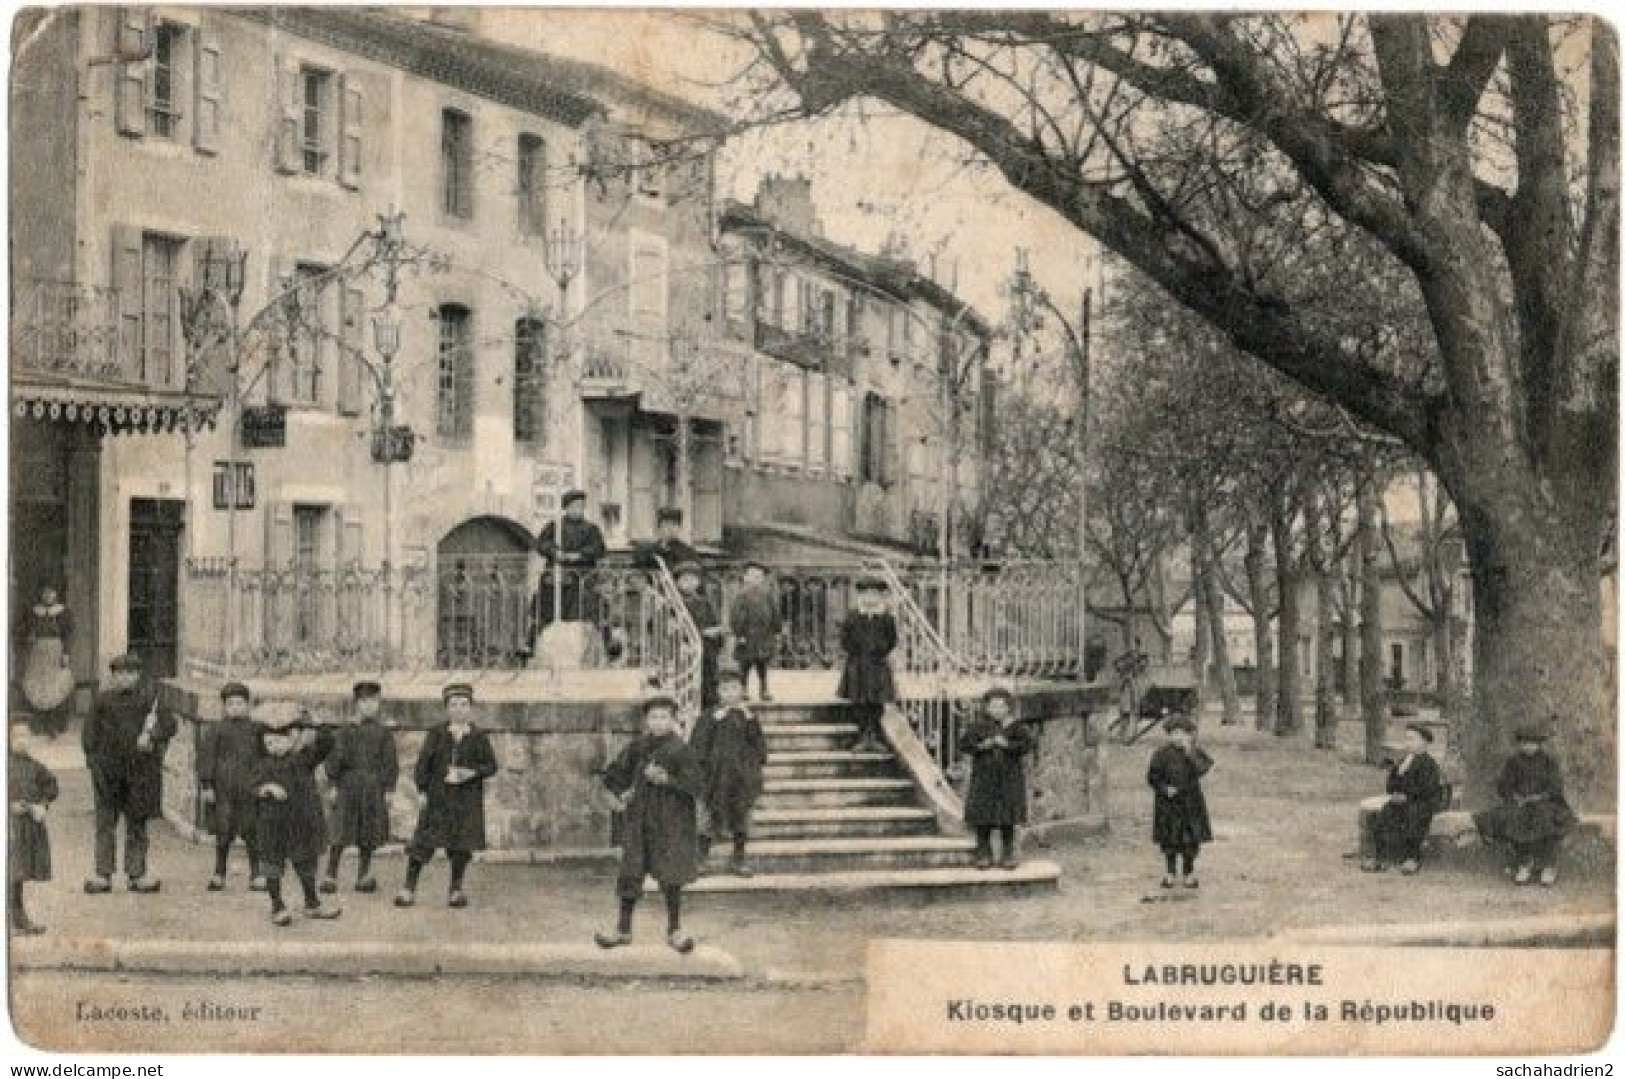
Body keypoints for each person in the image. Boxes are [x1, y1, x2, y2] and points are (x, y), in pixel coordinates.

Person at [595, 695, 704, 953]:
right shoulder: (638, 747)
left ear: (673, 720)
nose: (658, 722)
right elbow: (614, 773)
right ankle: (622, 929)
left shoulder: (682, 750)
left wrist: (667, 780)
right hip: (639, 819)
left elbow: (697, 786)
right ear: (646, 720)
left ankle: (674, 930)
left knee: (670, 876)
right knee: (630, 872)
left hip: (670, 822)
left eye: (664, 716)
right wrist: (617, 793)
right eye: (653, 717)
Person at [395, 683, 498, 909]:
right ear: (446, 708)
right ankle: (408, 888)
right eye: (453, 705)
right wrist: (422, 791)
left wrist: (471, 772)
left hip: (466, 800)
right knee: (422, 842)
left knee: (461, 846)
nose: (459, 709)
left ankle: (456, 889)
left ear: (471, 708)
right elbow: (422, 765)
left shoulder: (478, 736)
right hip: (438, 798)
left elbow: (491, 766)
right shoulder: (436, 734)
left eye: (464, 704)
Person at [82, 653, 174, 894]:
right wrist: (94, 764)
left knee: (137, 823)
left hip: (139, 772)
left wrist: (152, 736)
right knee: (105, 823)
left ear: (137, 675)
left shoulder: (149, 701)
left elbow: (169, 725)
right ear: (113, 676)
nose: (125, 678)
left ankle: (137, 874)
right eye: (119, 673)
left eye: (130, 673)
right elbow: (89, 735)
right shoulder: (102, 701)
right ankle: (103, 875)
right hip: (108, 771)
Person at [251, 711, 341, 926]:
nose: (274, 746)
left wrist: (319, 725)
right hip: (273, 825)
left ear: (292, 740)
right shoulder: (263, 765)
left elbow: (326, 745)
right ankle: (277, 906)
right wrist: (267, 788)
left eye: (279, 741)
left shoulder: (303, 759)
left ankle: (312, 903)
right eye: (269, 742)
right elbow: (251, 786)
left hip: (302, 823)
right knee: (272, 867)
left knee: (306, 864)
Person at [321, 681, 400, 895]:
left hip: (373, 787)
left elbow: (390, 763)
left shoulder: (383, 733)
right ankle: (330, 874)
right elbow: (334, 759)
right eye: (364, 702)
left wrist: (389, 789)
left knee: (368, 831)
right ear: (357, 704)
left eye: (373, 701)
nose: (368, 706)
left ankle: (363, 875)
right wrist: (333, 784)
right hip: (348, 785)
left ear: (378, 703)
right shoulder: (346, 731)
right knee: (340, 831)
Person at [1474, 725, 1575, 886]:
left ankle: (1548, 867)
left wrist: (1540, 797)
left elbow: (1555, 787)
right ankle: (1524, 864)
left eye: (1533, 743)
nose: (1529, 746)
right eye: (1525, 743)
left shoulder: (1549, 762)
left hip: (1545, 802)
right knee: (1514, 818)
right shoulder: (1513, 762)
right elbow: (1504, 785)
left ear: (1539, 744)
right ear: (1520, 744)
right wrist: (1515, 796)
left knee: (1545, 819)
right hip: (1520, 802)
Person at [690, 670, 766, 877]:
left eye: (734, 688)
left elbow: (760, 750)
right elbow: (697, 747)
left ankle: (738, 860)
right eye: (724, 689)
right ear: (717, 692)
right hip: (714, 779)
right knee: (706, 820)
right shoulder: (709, 717)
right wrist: (714, 720)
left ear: (742, 691)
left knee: (741, 819)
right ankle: (701, 860)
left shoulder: (748, 717)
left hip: (740, 780)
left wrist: (750, 721)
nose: (730, 694)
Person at [198, 682, 265, 892]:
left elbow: (264, 757)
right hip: (223, 789)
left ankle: (257, 874)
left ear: (247, 705)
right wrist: (207, 785)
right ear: (224, 707)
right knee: (223, 832)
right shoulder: (216, 730)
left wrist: (263, 782)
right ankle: (219, 873)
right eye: (230, 704)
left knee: (252, 832)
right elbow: (206, 757)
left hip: (249, 788)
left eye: (240, 703)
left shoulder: (256, 729)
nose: (235, 707)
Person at [958, 687, 1034, 870]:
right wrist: (981, 746)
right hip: (984, 779)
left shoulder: (1016, 727)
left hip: (1009, 779)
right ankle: (984, 853)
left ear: (1008, 708)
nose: (997, 710)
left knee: (1007, 817)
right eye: (993, 706)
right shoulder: (977, 726)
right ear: (986, 708)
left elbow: (1027, 745)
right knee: (983, 817)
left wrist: (1007, 745)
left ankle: (1008, 854)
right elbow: (965, 744)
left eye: (1001, 706)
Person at [1359, 722, 1445, 875]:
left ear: (1424, 742)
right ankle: (1379, 857)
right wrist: (1396, 773)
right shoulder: (1405, 761)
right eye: (1407, 739)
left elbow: (1427, 788)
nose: (1408, 743)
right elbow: (1391, 787)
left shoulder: (1429, 764)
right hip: (1404, 800)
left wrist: (1407, 795)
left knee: (1414, 816)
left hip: (1423, 802)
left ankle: (1412, 858)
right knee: (1386, 812)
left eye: (1413, 739)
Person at [1147, 714, 1213, 888]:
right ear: (1168, 735)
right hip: (1168, 805)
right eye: (1173, 733)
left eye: (1182, 733)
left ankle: (1188, 873)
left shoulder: (1194, 752)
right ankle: (1170, 873)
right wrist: (1164, 788)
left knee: (1190, 840)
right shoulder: (1161, 754)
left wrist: (1189, 753)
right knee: (1169, 840)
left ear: (1189, 735)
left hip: (1191, 804)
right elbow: (1152, 777)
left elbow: (1202, 769)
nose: (1177, 737)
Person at [9, 716, 58, 935]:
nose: (21, 740)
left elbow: (51, 787)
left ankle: (19, 920)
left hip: (24, 828)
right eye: (16, 736)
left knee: (16, 875)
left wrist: (42, 806)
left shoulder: (35, 766)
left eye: (25, 736)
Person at [838, 577, 897, 753]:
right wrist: (856, 651)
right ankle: (863, 736)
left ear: (880, 597)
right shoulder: (853, 616)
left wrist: (881, 650)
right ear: (860, 597)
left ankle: (874, 736)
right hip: (857, 665)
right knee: (860, 702)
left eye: (874, 594)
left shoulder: (886, 618)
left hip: (878, 665)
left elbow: (892, 639)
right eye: (865, 594)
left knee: (877, 703)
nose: (870, 599)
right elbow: (844, 639)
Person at [536, 489, 608, 626]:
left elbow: (599, 548)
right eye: (574, 506)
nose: (578, 510)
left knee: (581, 616)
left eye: (581, 506)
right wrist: (555, 552)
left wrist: (580, 555)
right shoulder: (555, 526)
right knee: (549, 614)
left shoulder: (591, 528)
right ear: (567, 508)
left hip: (583, 578)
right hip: (557, 578)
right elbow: (541, 544)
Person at [18, 586, 75, 738]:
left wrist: (66, 653)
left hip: (56, 652)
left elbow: (68, 636)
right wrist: (30, 638)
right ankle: (38, 724)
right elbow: (24, 631)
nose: (48, 596)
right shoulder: (34, 612)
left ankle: (54, 724)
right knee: (38, 685)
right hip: (38, 653)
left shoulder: (63, 612)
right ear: (41, 594)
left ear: (56, 594)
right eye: (45, 593)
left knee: (55, 686)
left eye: (51, 592)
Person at [675, 563, 726, 711]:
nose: (689, 584)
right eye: (685, 580)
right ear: (677, 583)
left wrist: (717, 632)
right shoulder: (674, 603)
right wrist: (702, 632)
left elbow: (714, 623)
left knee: (708, 685)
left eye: (693, 580)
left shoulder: (704, 602)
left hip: (706, 652)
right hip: (684, 651)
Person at [728, 562, 781, 702]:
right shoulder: (741, 595)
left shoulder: (767, 595)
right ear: (745, 578)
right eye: (752, 576)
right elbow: (736, 616)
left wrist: (776, 629)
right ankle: (743, 690)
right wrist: (739, 634)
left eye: (759, 577)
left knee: (762, 665)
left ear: (763, 579)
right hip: (747, 636)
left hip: (764, 636)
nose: (756, 579)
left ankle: (764, 690)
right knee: (745, 665)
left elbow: (774, 613)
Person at [634, 507, 700, 575]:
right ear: (659, 528)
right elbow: (639, 562)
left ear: (680, 528)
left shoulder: (688, 552)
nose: (670, 528)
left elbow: (697, 575)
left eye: (674, 524)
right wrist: (659, 549)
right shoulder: (648, 550)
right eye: (666, 524)